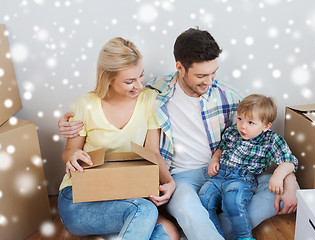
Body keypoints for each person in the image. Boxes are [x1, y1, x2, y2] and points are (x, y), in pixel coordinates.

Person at [59, 28, 299, 240]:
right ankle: (200, 227)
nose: (209, 81)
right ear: (180, 67)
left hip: (224, 172)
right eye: (201, 76)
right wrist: (67, 126)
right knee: (181, 208)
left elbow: (263, 133)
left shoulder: (226, 97)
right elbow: (92, 121)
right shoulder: (156, 93)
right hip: (181, 177)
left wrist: (290, 178)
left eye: (213, 73)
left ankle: (199, 231)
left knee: (271, 190)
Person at [57, 37, 179, 240]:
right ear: (108, 79)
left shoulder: (148, 100)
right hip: (79, 198)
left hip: (125, 195)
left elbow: (153, 153)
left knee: (169, 234)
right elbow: (68, 153)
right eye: (130, 81)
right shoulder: (86, 104)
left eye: (141, 76)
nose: (139, 85)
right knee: (145, 211)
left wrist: (170, 182)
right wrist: (72, 156)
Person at [199, 94, 298, 240]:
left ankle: (244, 236)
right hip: (218, 176)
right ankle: (215, 236)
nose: (243, 126)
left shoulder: (270, 140)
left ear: (266, 126)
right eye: (240, 119)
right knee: (203, 199)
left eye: (250, 122)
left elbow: (289, 161)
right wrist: (215, 159)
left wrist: (278, 176)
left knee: (232, 201)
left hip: (241, 178)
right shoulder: (232, 132)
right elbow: (221, 148)